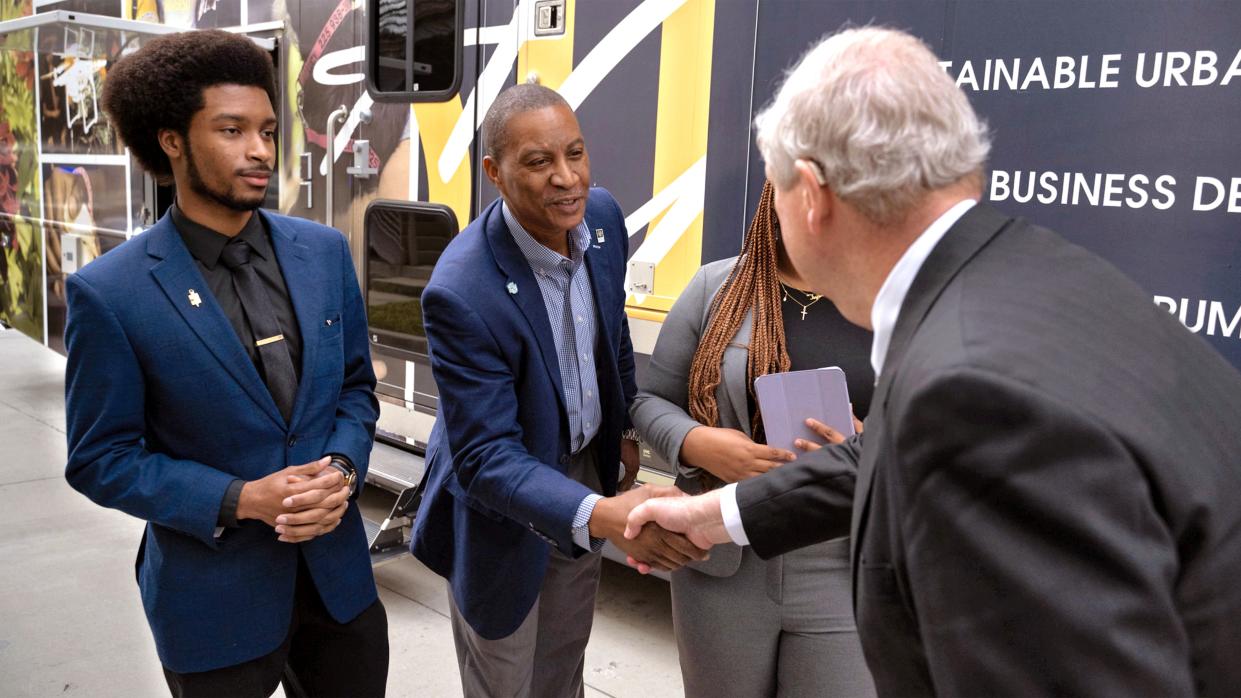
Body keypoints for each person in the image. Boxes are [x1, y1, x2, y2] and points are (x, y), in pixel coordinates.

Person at [624, 26, 1241, 696]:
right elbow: (881, 450)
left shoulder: (970, 391)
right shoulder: (1031, 273)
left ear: (811, 195)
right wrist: (716, 515)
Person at [65, 30, 387, 697]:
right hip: (212, 607)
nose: (259, 152)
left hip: (340, 587)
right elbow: (102, 457)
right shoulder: (112, 292)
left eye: (267, 131)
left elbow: (355, 389)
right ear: (172, 141)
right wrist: (239, 499)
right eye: (232, 130)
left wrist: (345, 468)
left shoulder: (323, 253)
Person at [410, 83, 706, 698]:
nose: (566, 178)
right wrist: (603, 515)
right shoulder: (462, 291)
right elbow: (487, 458)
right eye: (539, 162)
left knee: (562, 670)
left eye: (575, 154)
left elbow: (612, 330)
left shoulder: (599, 219)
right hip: (501, 501)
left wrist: (623, 429)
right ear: (494, 172)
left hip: (585, 471)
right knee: (506, 680)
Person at [630, 180, 875, 697]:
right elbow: (649, 400)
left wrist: (865, 441)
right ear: (774, 194)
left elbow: (930, 428)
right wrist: (699, 442)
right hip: (721, 558)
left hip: (841, 564)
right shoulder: (715, 288)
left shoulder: (883, 301)